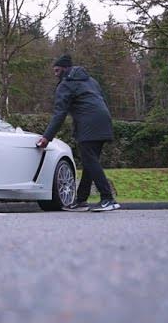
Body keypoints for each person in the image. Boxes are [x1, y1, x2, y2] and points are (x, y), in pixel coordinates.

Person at [37, 54, 120, 212]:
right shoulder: (91, 81)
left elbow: (59, 114)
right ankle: (81, 200)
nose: (55, 74)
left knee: (90, 161)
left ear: (65, 69)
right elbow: (102, 100)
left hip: (89, 125)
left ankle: (108, 198)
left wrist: (47, 137)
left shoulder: (66, 85)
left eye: (57, 70)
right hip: (104, 121)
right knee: (90, 162)